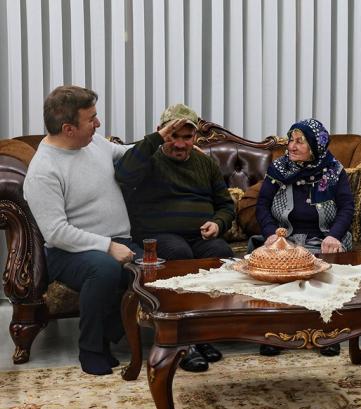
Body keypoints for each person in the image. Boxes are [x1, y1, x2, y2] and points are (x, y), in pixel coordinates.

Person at [23, 85, 150, 375]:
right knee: (104, 268)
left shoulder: (93, 144)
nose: (98, 123)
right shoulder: (43, 171)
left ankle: (108, 335)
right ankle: (91, 349)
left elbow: (126, 153)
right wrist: (108, 246)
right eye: (91, 119)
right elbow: (56, 233)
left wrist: (161, 145)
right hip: (68, 252)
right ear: (68, 129)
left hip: (118, 241)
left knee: (154, 269)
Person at [115, 103, 235, 373]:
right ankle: (183, 341)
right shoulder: (148, 159)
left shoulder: (206, 163)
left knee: (221, 252)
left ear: (196, 137)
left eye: (187, 137)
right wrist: (156, 140)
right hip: (157, 236)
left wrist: (218, 223)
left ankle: (203, 334)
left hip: (199, 236)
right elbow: (123, 173)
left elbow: (226, 205)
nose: (180, 144)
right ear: (161, 132)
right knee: (179, 254)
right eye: (173, 136)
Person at [253, 118, 355, 357]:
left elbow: (347, 207)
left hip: (322, 237)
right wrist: (270, 234)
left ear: (315, 146)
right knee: (275, 275)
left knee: (323, 276)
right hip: (284, 238)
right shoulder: (279, 168)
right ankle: (274, 333)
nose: (291, 146)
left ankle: (327, 332)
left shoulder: (333, 170)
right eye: (291, 140)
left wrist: (334, 236)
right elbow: (262, 204)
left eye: (300, 141)